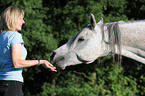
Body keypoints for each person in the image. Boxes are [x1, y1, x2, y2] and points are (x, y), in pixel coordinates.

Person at [0, 6, 57, 96]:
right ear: (13, 19)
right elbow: (17, 63)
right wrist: (40, 61)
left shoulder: (2, 36)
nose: (23, 22)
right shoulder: (15, 36)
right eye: (21, 19)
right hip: (12, 85)